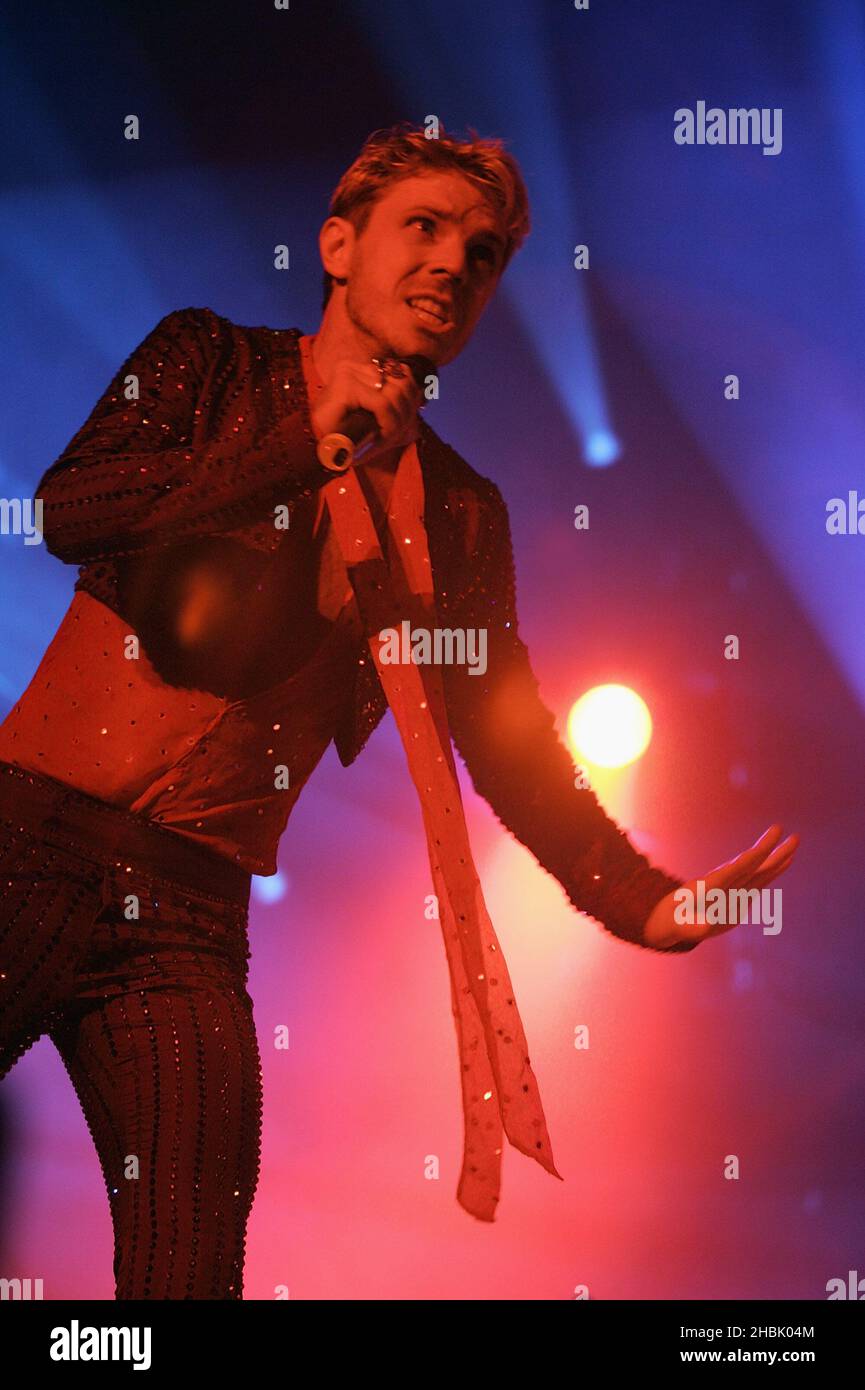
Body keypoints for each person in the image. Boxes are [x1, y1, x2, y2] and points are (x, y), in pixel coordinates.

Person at [0, 122, 798, 1299]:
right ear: (339, 243)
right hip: (25, 847)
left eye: (480, 255)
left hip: (186, 919)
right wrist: (297, 447)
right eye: (422, 227)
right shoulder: (208, 361)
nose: (450, 264)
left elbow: (510, 739)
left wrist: (648, 900)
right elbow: (76, 506)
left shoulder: (462, 516)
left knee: (186, 1283)